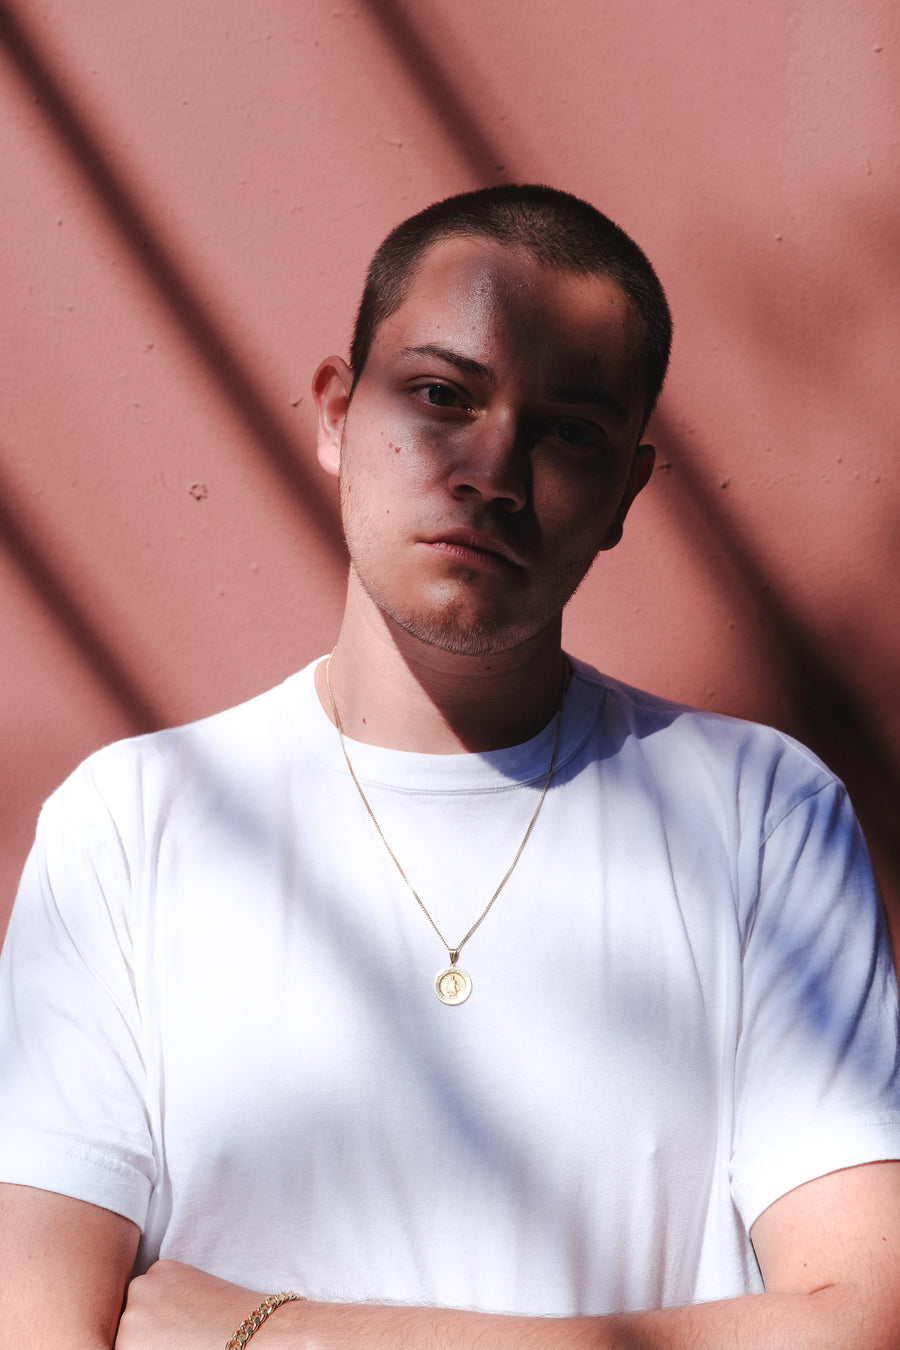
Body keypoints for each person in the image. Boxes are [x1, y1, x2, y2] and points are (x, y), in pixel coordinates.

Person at [1, 184, 899, 1349]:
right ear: (335, 412)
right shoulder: (133, 824)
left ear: (627, 490)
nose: (492, 470)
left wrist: (282, 1335)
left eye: (568, 429)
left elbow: (862, 1319)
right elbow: (36, 1324)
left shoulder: (762, 814)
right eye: (440, 395)